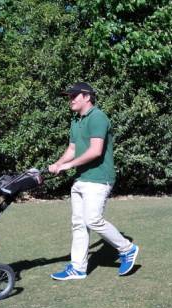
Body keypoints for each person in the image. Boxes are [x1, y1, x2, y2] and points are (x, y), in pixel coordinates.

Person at [48, 82, 139, 280]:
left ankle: (127, 248)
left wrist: (69, 166)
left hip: (98, 178)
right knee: (78, 224)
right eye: (69, 96)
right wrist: (57, 164)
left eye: (74, 96)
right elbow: (72, 149)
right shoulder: (75, 120)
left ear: (87, 97)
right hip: (81, 178)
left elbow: (96, 151)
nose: (70, 100)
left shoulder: (98, 117)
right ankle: (78, 268)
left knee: (93, 220)